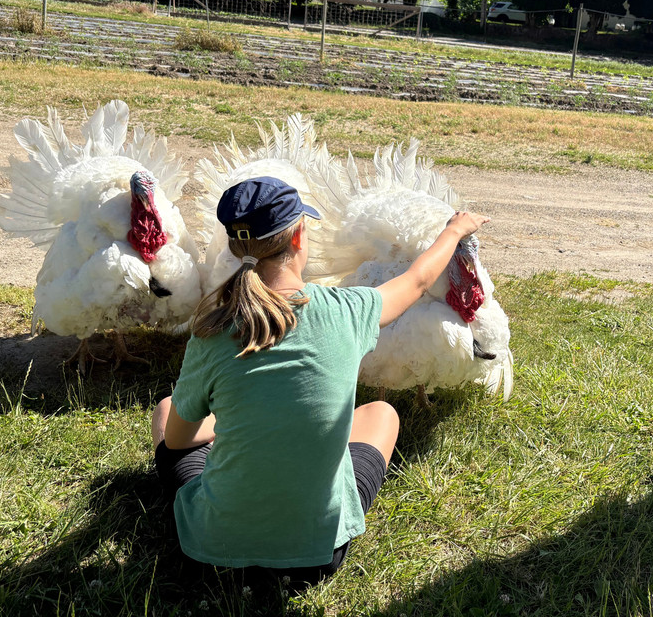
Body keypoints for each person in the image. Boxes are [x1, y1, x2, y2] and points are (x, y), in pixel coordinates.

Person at [151, 175, 489, 591]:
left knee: (168, 410)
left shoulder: (211, 331)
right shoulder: (348, 310)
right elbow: (418, 281)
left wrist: (238, 427)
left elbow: (179, 442)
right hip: (319, 555)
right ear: (298, 238)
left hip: (214, 553)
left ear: (236, 247)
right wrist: (454, 229)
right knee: (381, 413)